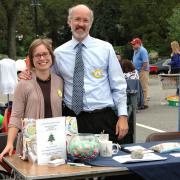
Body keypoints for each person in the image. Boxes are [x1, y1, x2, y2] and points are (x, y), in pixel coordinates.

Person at [19, 4, 128, 144]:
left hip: (103, 118)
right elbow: (46, 78)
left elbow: (118, 85)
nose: (81, 24)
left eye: (85, 20)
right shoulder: (58, 54)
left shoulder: (105, 49)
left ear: (91, 23)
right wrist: (28, 75)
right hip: (72, 121)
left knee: (110, 164)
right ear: (69, 21)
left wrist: (123, 116)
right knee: (74, 164)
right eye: (77, 19)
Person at [0, 39, 63, 161]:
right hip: (31, 148)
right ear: (32, 59)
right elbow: (16, 116)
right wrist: (9, 143)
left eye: (45, 54)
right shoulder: (23, 84)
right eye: (37, 55)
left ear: (51, 56)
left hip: (55, 146)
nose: (42, 58)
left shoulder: (59, 81)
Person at [131, 37, 149, 109]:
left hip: (143, 71)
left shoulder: (142, 50)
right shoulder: (135, 50)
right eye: (132, 44)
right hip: (137, 71)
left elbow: (145, 62)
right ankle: (141, 102)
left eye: (134, 44)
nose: (132, 45)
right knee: (139, 87)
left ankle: (145, 103)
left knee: (144, 87)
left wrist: (141, 70)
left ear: (138, 44)